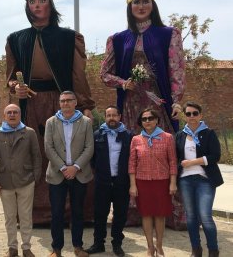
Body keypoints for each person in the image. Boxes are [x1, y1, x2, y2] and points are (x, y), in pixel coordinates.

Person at [5, 0, 95, 223]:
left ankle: (73, 213)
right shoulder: (15, 39)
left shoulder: (69, 37)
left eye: (42, 1)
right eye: (32, 2)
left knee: (69, 151)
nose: (36, 5)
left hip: (62, 100)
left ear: (51, 4)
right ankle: (36, 213)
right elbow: (11, 77)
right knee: (34, 155)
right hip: (30, 103)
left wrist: (85, 105)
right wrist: (16, 88)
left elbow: (78, 75)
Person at [100, 0, 185, 134]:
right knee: (133, 146)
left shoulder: (169, 34)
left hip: (159, 99)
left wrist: (176, 102)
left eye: (145, 1)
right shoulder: (117, 39)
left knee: (161, 142)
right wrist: (123, 83)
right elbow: (105, 74)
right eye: (136, 2)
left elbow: (176, 71)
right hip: (130, 102)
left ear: (153, 6)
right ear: (130, 7)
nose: (141, 6)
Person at [0, 104, 42, 257]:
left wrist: (35, 178)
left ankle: (26, 248)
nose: (12, 115)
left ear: (20, 115)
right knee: (9, 217)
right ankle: (12, 247)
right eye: (9, 112)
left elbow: (37, 156)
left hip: (26, 181)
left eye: (15, 112)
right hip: (5, 183)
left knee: (25, 217)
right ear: (5, 116)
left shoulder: (29, 133)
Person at [44, 91, 94, 257]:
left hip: (79, 174)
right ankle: (56, 249)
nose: (65, 103)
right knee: (57, 213)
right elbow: (48, 148)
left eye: (69, 100)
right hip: (57, 174)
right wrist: (64, 168)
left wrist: (76, 167)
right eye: (62, 101)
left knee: (78, 212)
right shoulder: (51, 122)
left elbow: (89, 147)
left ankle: (78, 247)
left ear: (75, 102)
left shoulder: (86, 122)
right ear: (59, 103)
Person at [176, 102, 224, 257]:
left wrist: (193, 162)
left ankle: (213, 250)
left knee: (205, 216)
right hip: (185, 180)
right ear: (185, 116)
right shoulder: (180, 135)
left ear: (201, 115)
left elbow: (215, 156)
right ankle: (196, 249)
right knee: (190, 217)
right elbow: (176, 158)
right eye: (188, 114)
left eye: (195, 113)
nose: (191, 117)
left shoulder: (209, 133)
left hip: (205, 180)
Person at [128, 108, 177, 257]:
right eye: (144, 119)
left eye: (150, 118)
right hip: (142, 182)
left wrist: (173, 183)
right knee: (146, 215)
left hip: (162, 181)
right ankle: (150, 247)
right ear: (141, 122)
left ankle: (159, 246)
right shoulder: (136, 139)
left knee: (160, 215)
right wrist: (133, 184)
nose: (147, 121)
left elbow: (173, 161)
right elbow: (132, 163)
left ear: (157, 120)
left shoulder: (167, 137)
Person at [85, 106, 133, 257]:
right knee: (100, 213)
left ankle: (117, 244)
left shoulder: (128, 136)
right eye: (108, 115)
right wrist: (100, 171)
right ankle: (98, 243)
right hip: (103, 181)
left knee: (120, 214)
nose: (111, 118)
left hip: (121, 182)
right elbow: (92, 158)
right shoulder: (97, 135)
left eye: (114, 115)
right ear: (105, 117)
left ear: (120, 116)